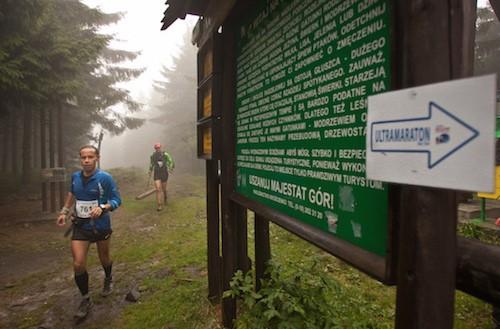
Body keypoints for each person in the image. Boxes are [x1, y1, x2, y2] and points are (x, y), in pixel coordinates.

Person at [56, 145, 121, 320]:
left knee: (104, 258)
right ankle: (85, 299)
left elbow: (117, 200)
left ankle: (108, 278)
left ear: (97, 158)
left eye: (90, 157)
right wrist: (64, 211)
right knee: (78, 264)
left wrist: (103, 207)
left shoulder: (105, 178)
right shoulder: (75, 177)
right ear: (80, 159)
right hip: (80, 226)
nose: (86, 160)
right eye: (83, 157)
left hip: (100, 226)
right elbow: (71, 194)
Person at [148, 143, 174, 211]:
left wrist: (170, 168)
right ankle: (159, 205)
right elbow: (151, 164)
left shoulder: (165, 154)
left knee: (164, 189)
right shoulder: (153, 156)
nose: (158, 149)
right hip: (157, 173)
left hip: (164, 173)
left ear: (160, 148)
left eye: (158, 148)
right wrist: (150, 171)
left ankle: (165, 197)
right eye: (156, 148)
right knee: (158, 189)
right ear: (155, 149)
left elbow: (170, 161)